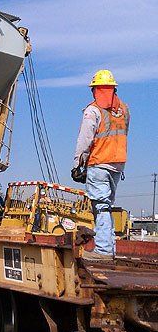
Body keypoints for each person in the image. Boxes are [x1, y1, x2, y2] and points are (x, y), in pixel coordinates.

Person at [71, 70, 129, 263]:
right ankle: (109, 247)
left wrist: (78, 163)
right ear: (114, 89)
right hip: (117, 164)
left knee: (101, 205)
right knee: (107, 205)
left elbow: (85, 139)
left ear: (95, 89)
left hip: (99, 162)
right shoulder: (124, 110)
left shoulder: (93, 111)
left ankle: (103, 250)